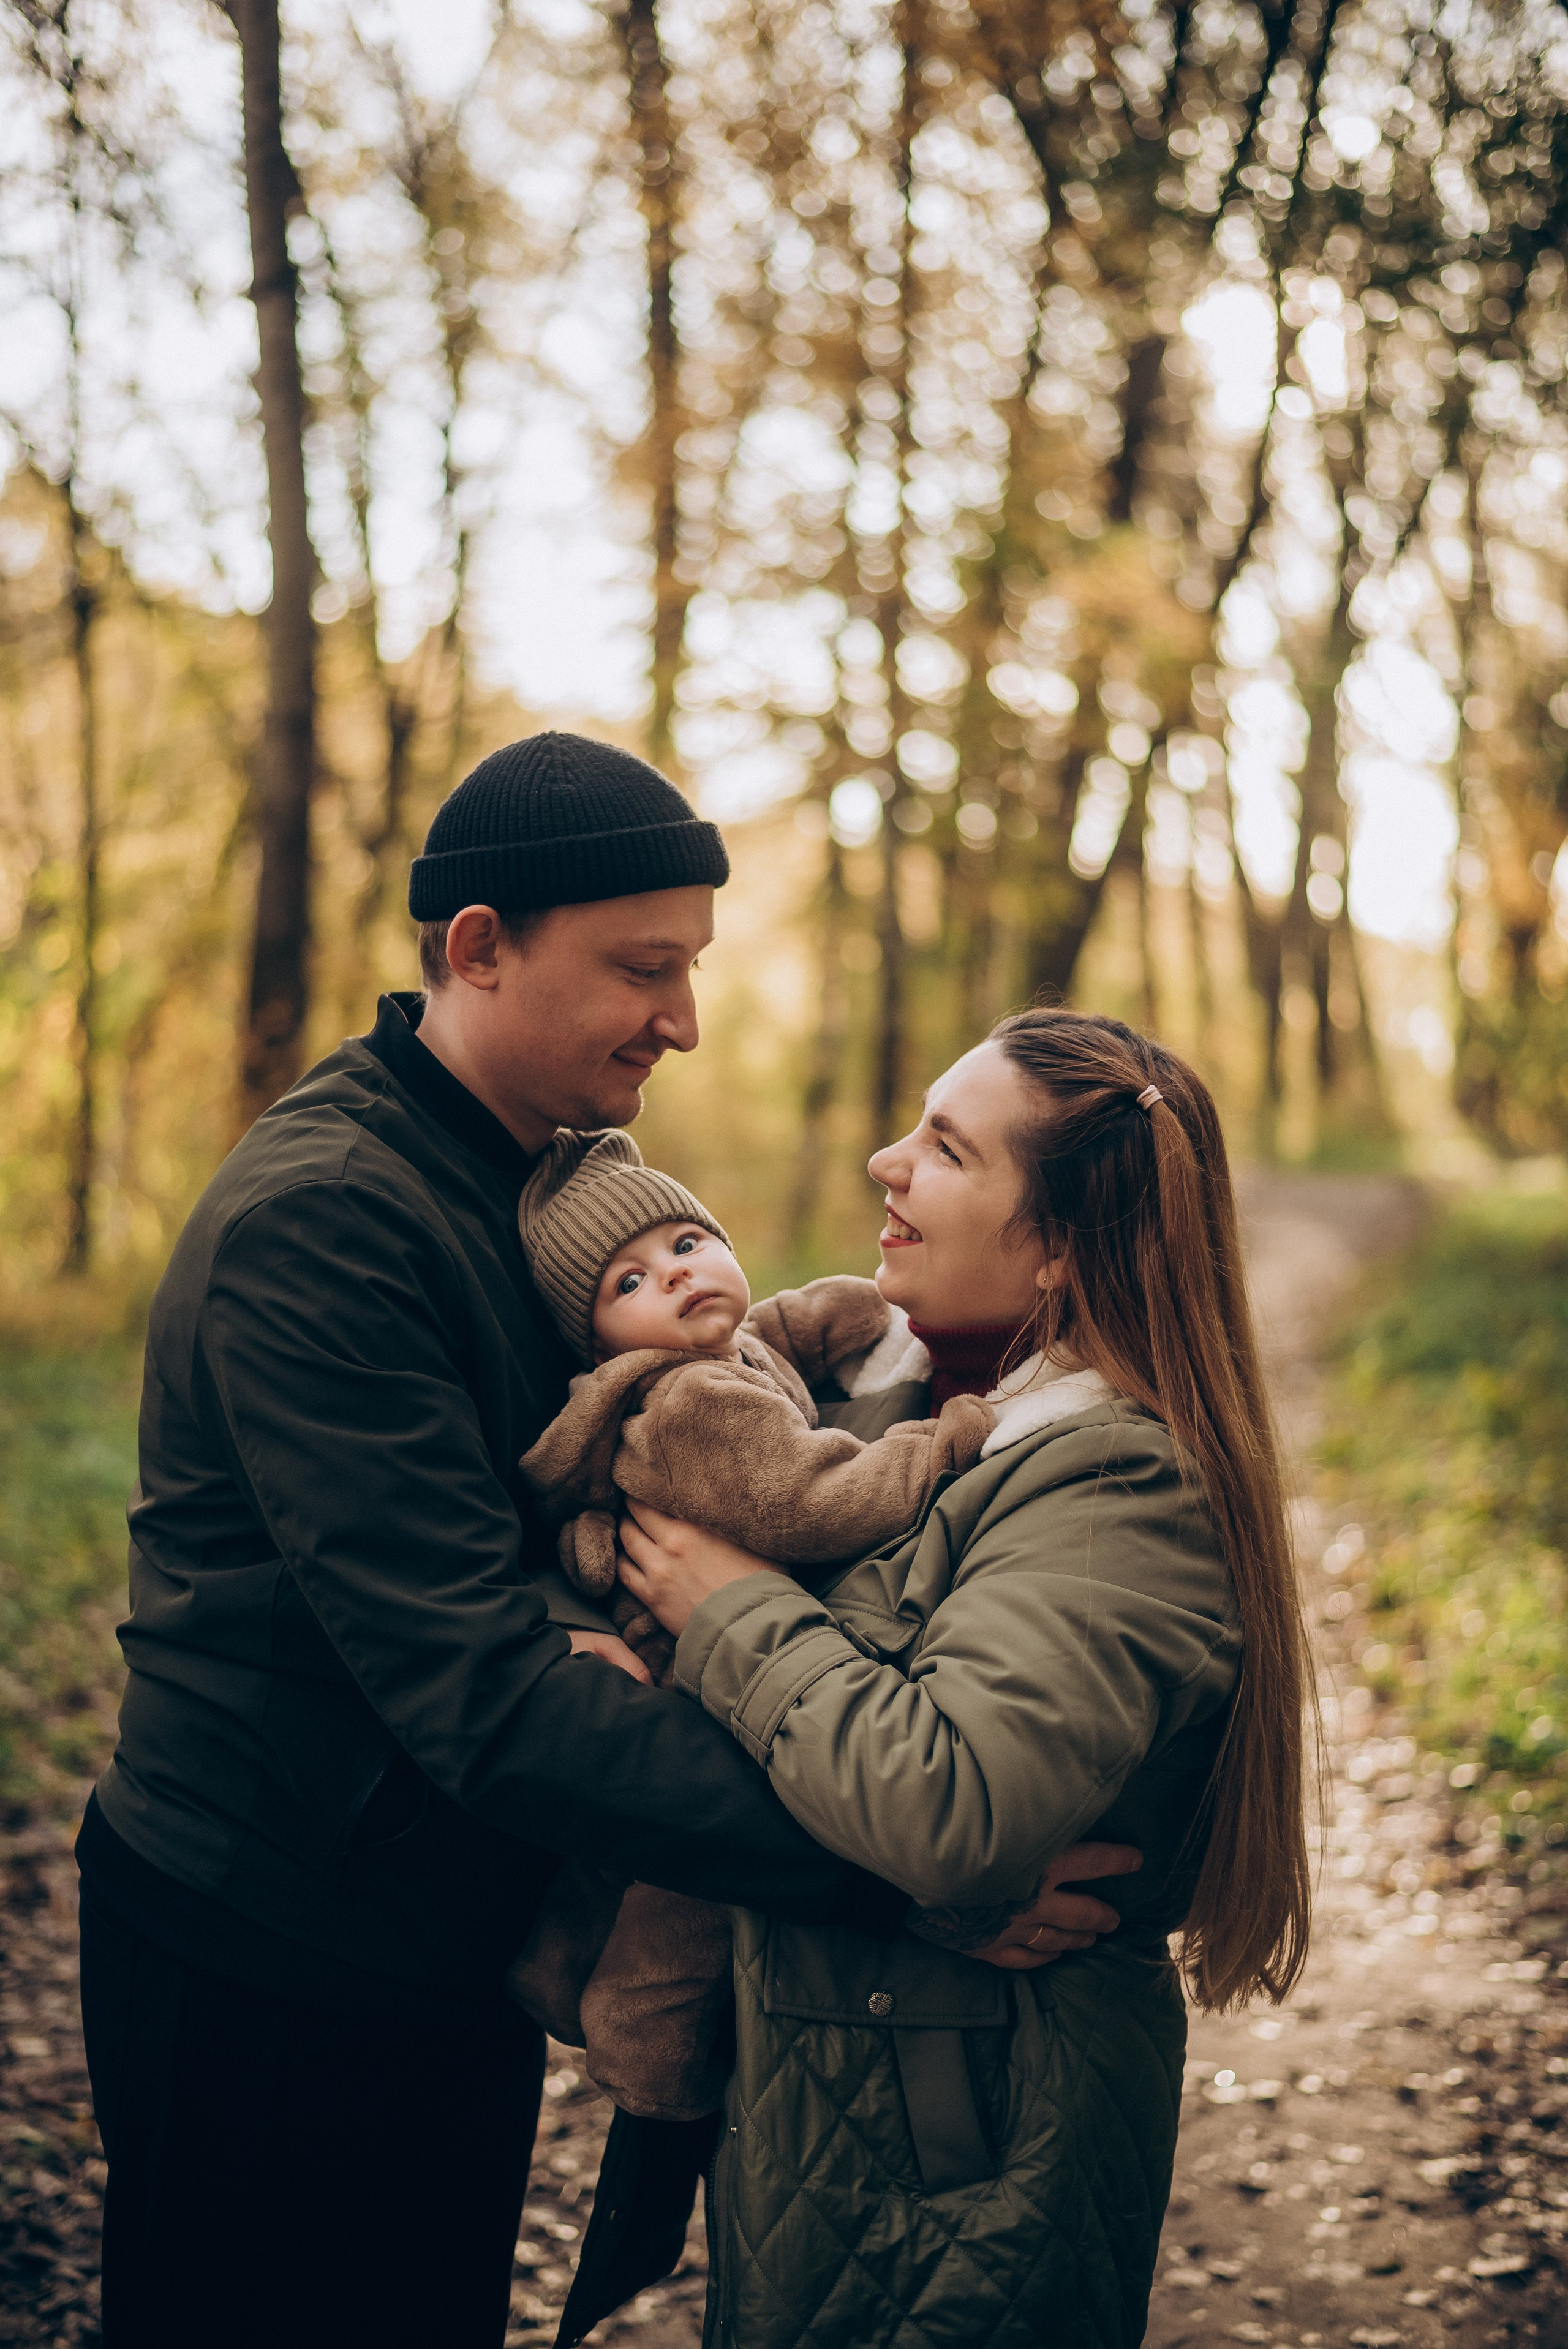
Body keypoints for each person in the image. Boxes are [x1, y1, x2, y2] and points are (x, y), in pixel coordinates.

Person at [75, 732, 1131, 2349]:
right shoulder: (328, 1222)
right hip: (276, 1949)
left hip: (436, 1937)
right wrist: (901, 1868)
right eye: (644, 967)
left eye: (694, 968)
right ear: (476, 946)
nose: (684, 1020)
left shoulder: (547, 1188)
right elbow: (485, 1694)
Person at [617, 1008, 1314, 2349]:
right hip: (848, 2089)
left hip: (967, 2134)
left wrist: (736, 1611)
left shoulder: (1114, 1483)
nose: (885, 1162)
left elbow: (946, 1804)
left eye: (941, 1147)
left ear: (1054, 1248)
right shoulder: (864, 1401)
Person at [506, 1126, 993, 2124]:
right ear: (602, 1341)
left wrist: (846, 1309)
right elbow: (805, 1500)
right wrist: (937, 1444)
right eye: (631, 1282)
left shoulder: (720, 1350)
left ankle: (555, 1962)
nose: (677, 1280)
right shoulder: (688, 1401)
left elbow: (774, 1331)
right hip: (691, 1668)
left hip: (708, 1637)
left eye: (687, 1244)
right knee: (685, 1892)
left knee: (622, 1866)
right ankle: (645, 2051)